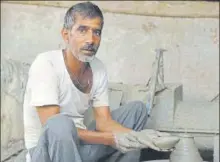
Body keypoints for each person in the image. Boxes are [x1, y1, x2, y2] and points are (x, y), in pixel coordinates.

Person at [23, 2, 172, 162]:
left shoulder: (98, 68)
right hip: (48, 151)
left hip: (80, 145)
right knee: (60, 124)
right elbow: (52, 128)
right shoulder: (46, 64)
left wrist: (137, 137)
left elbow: (104, 122)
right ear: (66, 35)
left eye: (97, 32)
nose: (91, 39)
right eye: (82, 30)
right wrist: (113, 139)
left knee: (137, 110)